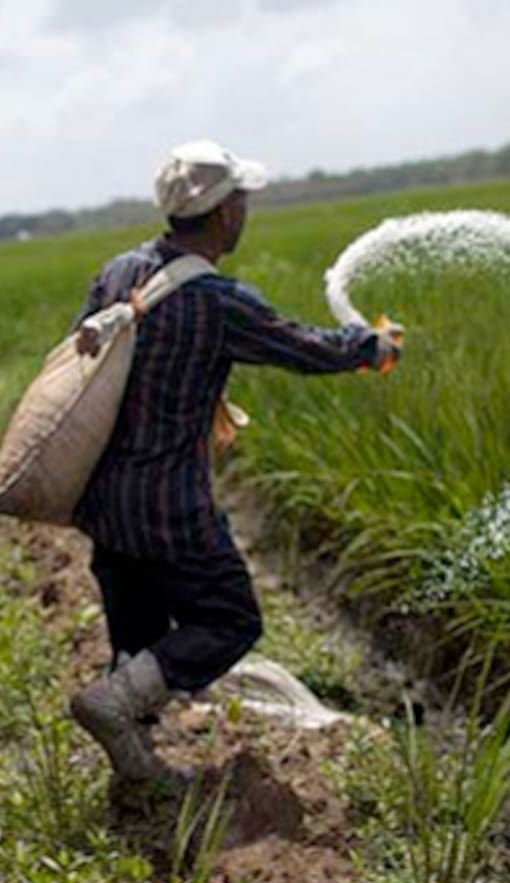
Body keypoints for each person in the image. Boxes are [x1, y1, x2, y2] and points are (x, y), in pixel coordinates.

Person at [67, 139, 402, 782]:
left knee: (138, 640)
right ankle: (114, 704)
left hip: (106, 502)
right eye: (241, 201)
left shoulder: (118, 274)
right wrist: (373, 346)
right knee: (228, 618)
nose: (246, 211)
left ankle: (132, 769)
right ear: (224, 214)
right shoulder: (216, 300)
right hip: (170, 505)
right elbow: (304, 347)